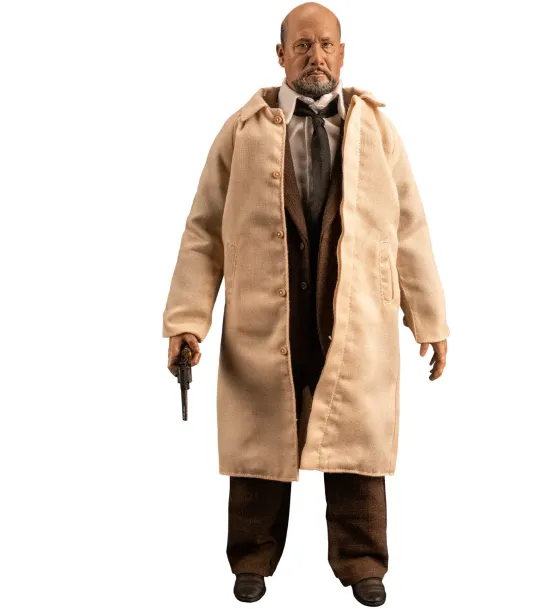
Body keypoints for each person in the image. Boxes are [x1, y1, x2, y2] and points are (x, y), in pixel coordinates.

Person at [163, 2, 449, 605]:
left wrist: (429, 319)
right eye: (301, 45)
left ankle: (362, 560)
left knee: (356, 436)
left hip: (354, 309)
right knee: (261, 435)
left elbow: (409, 229)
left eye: (325, 45)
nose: (314, 56)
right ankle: (252, 558)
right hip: (269, 308)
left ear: (342, 54)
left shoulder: (377, 132)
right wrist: (187, 319)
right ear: (280, 55)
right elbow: (204, 229)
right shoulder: (243, 131)